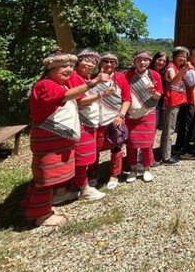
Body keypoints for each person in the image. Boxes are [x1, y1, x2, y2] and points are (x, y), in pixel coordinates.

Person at [23, 49, 109, 227]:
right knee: (46, 178)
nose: (69, 69)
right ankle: (42, 216)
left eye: (70, 66)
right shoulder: (46, 84)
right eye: (63, 66)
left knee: (46, 177)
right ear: (50, 68)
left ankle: (33, 206)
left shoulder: (59, 84)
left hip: (56, 139)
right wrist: (94, 82)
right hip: (49, 140)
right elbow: (64, 97)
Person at [66, 49, 112, 202]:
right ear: (79, 61)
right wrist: (101, 93)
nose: (90, 65)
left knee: (84, 156)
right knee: (81, 156)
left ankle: (77, 185)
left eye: (94, 63)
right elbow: (79, 101)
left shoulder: (83, 77)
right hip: (80, 122)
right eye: (87, 61)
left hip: (89, 122)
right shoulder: (74, 77)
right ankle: (84, 188)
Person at [88, 53, 131, 191]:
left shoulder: (120, 77)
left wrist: (121, 115)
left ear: (115, 64)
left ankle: (114, 174)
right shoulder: (93, 78)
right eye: (105, 61)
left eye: (112, 62)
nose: (108, 64)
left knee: (116, 146)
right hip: (95, 119)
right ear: (100, 63)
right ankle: (93, 173)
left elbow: (127, 99)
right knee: (95, 148)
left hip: (115, 118)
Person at [125, 50, 163, 183]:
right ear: (134, 61)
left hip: (148, 113)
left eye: (146, 60)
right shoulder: (128, 74)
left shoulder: (155, 75)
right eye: (139, 60)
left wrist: (152, 92)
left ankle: (146, 169)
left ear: (149, 61)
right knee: (131, 144)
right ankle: (133, 170)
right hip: (131, 115)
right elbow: (123, 93)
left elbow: (159, 95)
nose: (142, 62)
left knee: (147, 144)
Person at [161, 46, 192, 165]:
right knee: (169, 129)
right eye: (180, 56)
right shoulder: (171, 68)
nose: (183, 58)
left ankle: (166, 153)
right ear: (174, 56)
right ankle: (166, 157)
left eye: (184, 56)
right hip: (171, 103)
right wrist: (184, 70)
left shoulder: (176, 67)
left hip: (176, 102)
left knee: (170, 128)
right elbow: (173, 80)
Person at [174, 47, 195, 160]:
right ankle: (185, 151)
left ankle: (178, 147)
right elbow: (191, 88)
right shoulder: (190, 69)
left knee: (183, 125)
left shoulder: (192, 68)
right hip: (189, 101)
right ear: (190, 56)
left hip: (188, 100)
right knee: (187, 126)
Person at [150, 51, 169, 133]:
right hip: (145, 104)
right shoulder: (147, 71)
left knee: (153, 127)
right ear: (154, 60)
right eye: (159, 60)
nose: (161, 63)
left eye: (164, 61)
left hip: (157, 104)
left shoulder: (163, 73)